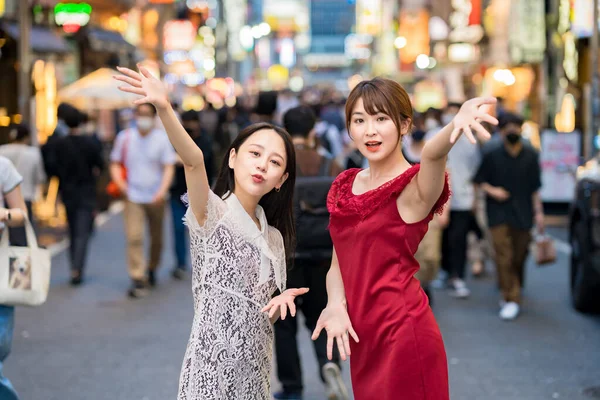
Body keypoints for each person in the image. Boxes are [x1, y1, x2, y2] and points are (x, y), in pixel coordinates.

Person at [115, 65, 309, 400]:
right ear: (233, 158)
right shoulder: (213, 213)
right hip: (208, 378)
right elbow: (193, 161)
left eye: (275, 162)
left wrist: (278, 302)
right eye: (255, 153)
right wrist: (164, 107)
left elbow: (260, 315)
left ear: (282, 180)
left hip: (256, 379)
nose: (263, 164)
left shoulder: (274, 238)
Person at [311, 78, 497, 400]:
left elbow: (434, 157)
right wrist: (335, 304)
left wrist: (454, 124)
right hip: (363, 339)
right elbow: (338, 263)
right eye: (359, 120)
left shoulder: (414, 186)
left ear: (404, 124)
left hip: (403, 332)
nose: (370, 130)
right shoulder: (346, 183)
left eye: (381, 118)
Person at [273, 106, 346, 400]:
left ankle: (292, 388)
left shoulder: (279, 167)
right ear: (314, 131)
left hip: (287, 258)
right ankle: (330, 367)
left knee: (285, 327)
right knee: (323, 317)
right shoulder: (332, 166)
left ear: (285, 133)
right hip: (325, 258)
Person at [473, 112, 544, 321]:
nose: (512, 131)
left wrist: (539, 213)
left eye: (516, 126)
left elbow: (535, 188)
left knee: (519, 255)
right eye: (507, 127)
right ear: (500, 131)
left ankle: (513, 286)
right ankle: (510, 298)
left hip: (523, 212)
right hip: (498, 211)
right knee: (503, 254)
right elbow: (479, 180)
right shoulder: (491, 153)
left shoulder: (531, 154)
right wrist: (493, 190)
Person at [110, 103, 176, 298]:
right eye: (140, 114)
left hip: (157, 197)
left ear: (154, 117)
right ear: (135, 116)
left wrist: (162, 191)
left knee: (157, 239)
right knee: (135, 237)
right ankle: (138, 277)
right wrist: (122, 186)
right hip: (133, 196)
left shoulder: (162, 139)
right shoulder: (125, 138)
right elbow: (114, 163)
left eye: (147, 114)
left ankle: (152, 267)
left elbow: (168, 167)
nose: (143, 118)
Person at [45, 106, 104, 285]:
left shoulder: (59, 144)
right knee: (82, 232)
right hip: (86, 191)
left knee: (72, 229)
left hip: (67, 191)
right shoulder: (90, 143)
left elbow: (51, 166)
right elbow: (100, 165)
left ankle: (74, 267)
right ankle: (77, 268)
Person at [169, 110, 214, 279]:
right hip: (177, 191)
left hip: (200, 194)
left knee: (201, 231)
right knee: (178, 228)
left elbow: (207, 163)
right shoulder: (177, 139)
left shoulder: (205, 141)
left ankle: (203, 263)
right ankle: (181, 263)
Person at [0, 156, 28, 400]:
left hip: (1, 265)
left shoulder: (3, 166)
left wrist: (4, 214)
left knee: (0, 344)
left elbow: (22, 215)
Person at [0, 124, 46, 245]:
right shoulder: (33, 153)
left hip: (7, 203)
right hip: (26, 195)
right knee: (21, 239)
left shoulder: (2, 152)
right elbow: (40, 177)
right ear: (26, 137)